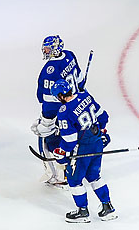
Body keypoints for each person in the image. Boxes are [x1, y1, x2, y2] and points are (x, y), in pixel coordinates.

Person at [49, 80, 117, 223]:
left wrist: (61, 152)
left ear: (60, 95)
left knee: (74, 180)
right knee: (94, 176)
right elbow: (103, 116)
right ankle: (107, 207)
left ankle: (83, 212)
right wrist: (101, 131)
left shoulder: (64, 111)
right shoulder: (85, 96)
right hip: (97, 143)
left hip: (81, 149)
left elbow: (70, 140)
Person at [32, 35, 87, 187]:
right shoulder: (69, 55)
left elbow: (46, 98)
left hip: (61, 109)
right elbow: (80, 80)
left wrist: (46, 119)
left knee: (46, 136)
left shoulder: (49, 70)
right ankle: (76, 165)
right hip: (76, 102)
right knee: (74, 136)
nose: (45, 51)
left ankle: (57, 175)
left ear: (55, 48)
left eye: (48, 49)